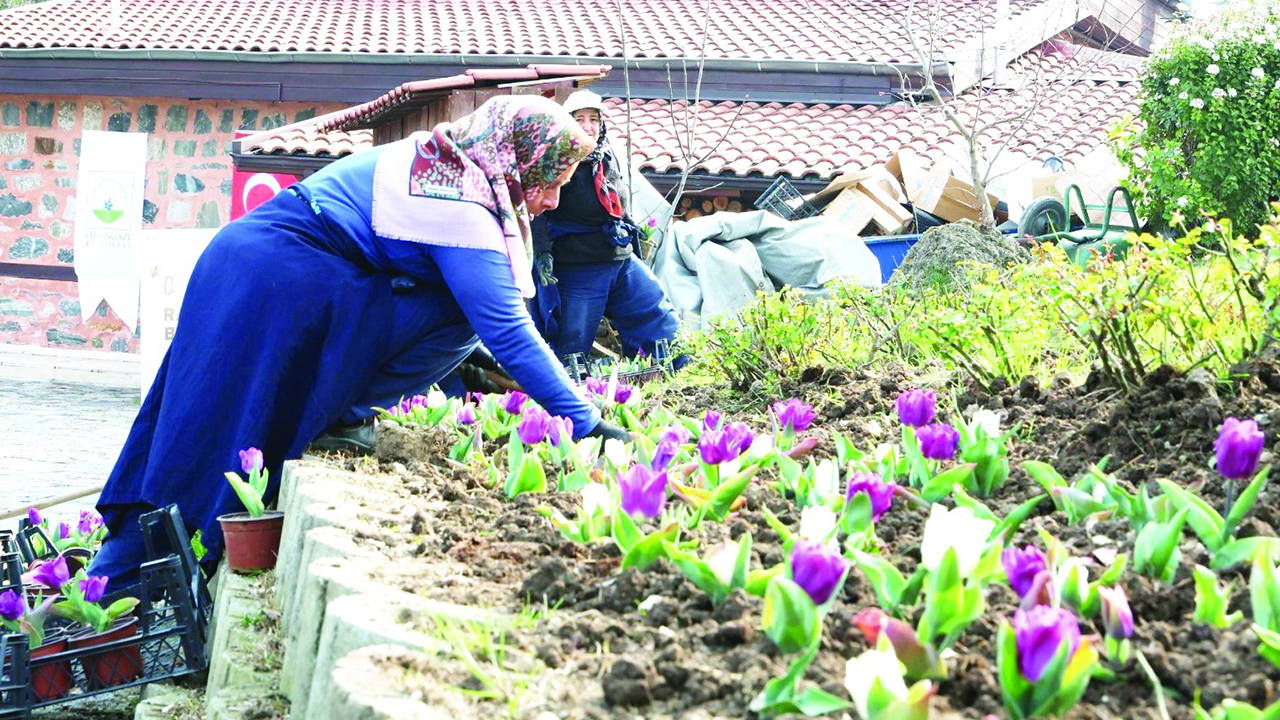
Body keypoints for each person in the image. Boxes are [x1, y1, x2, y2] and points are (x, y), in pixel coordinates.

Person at [89, 96, 629, 594]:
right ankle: (104, 597)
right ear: (514, 157)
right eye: (546, 179)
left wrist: (482, 372)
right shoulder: (455, 197)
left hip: (272, 271)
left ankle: (114, 590)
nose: (553, 199)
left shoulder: (456, 164)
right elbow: (505, 326)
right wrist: (585, 423)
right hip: (272, 279)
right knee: (208, 439)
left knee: (206, 427)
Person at [530, 90, 681, 364]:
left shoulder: (605, 155)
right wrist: (541, 253)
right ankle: (563, 399)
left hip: (619, 258)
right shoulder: (557, 160)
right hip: (580, 265)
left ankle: (674, 374)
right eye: (580, 120)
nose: (588, 127)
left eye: (593, 120)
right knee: (572, 344)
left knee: (657, 315)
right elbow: (538, 209)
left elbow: (615, 203)